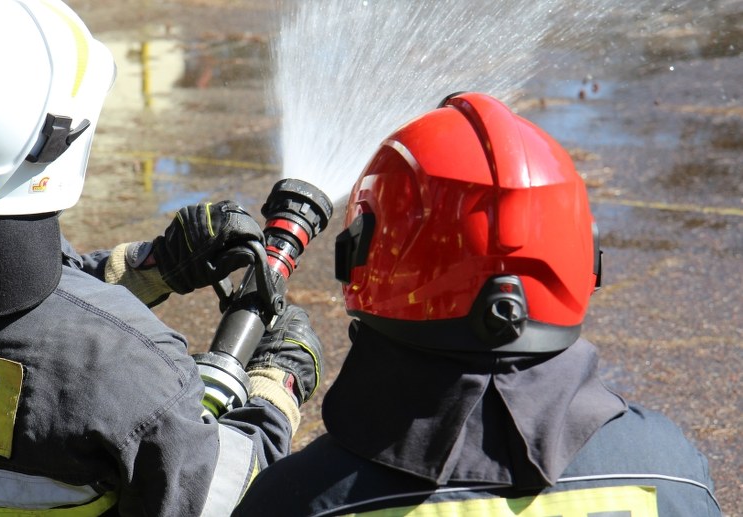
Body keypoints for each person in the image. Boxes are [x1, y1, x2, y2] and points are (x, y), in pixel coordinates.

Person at [0, 1, 323, 515]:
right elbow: (225, 497)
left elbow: (21, 311)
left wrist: (157, 265)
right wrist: (273, 389)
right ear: (55, 143)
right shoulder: (131, 377)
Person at [233, 92, 721, 516]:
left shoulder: (299, 499)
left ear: (361, 261)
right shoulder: (674, 472)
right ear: (584, 260)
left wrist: (262, 408)